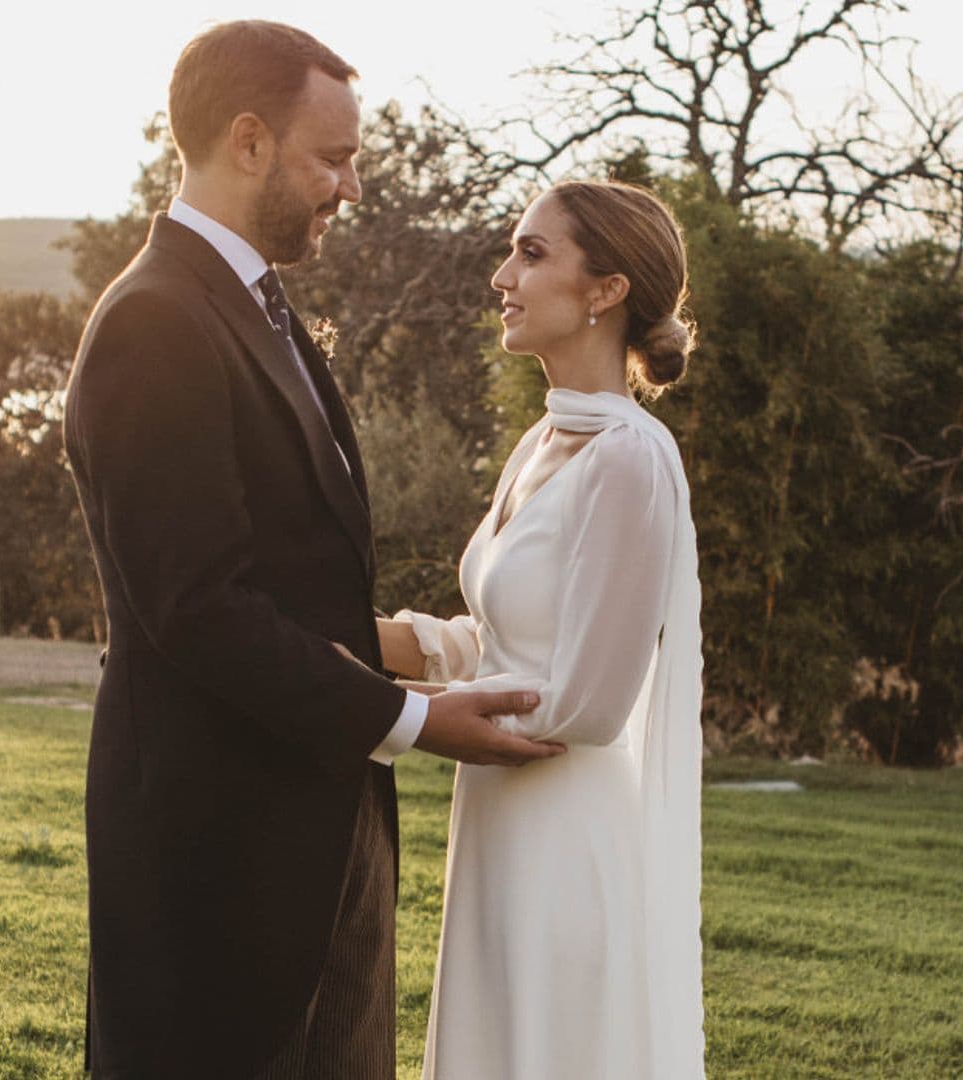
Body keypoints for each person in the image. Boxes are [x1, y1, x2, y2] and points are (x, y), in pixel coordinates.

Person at [61, 21, 560, 1079]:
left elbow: (302, 577)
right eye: (332, 159)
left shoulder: (256, 305)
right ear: (248, 142)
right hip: (213, 849)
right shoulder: (154, 321)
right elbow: (199, 606)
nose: (351, 187)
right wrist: (412, 721)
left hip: (323, 822)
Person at [381, 180, 706, 1080]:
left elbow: (589, 704)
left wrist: (388, 705)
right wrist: (358, 640)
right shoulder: (541, 442)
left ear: (605, 290)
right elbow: (501, 641)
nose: (502, 276)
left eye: (531, 254)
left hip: (565, 840)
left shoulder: (632, 461)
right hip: (498, 823)